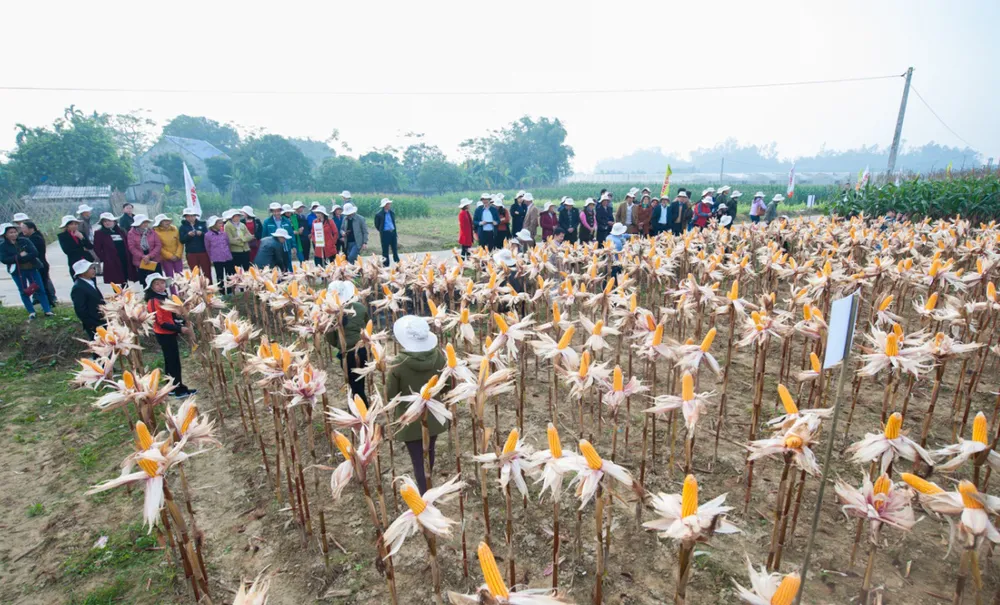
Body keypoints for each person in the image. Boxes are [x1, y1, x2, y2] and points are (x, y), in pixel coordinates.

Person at [387, 315, 446, 494]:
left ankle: (424, 494)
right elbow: (447, 386)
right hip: (434, 416)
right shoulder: (439, 356)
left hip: (410, 420)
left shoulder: (398, 363)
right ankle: (427, 486)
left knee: (418, 459)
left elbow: (391, 395)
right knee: (429, 451)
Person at [145, 273, 196, 398]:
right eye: (156, 284)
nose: (160, 286)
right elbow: (160, 322)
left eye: (162, 283)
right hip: (164, 334)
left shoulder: (163, 297)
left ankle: (171, 387)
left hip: (169, 333)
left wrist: (181, 321)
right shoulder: (153, 301)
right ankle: (179, 390)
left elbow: (171, 317)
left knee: (170, 361)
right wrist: (179, 329)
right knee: (174, 362)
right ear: (151, 287)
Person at [325, 280, 370, 404]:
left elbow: (330, 337)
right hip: (362, 350)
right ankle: (360, 407)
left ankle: (362, 409)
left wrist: (341, 345)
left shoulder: (330, 314)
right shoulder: (360, 307)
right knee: (360, 382)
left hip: (347, 354)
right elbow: (368, 326)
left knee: (353, 385)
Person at [2, 223, 54, 319]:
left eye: (14, 232)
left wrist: (20, 258)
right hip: (17, 272)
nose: (13, 234)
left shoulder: (24, 240)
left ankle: (47, 310)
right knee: (23, 291)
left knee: (40, 288)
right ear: (5, 235)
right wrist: (19, 256)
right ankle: (31, 311)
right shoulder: (3, 246)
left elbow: (34, 252)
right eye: (10, 233)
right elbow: (4, 259)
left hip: (32, 268)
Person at [20, 220, 57, 305]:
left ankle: (49, 302)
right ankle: (46, 301)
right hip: (39, 264)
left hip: (40, 264)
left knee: (42, 284)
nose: (22, 230)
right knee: (40, 284)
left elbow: (30, 252)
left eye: (24, 228)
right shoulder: (32, 237)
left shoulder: (36, 238)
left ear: (31, 228)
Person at [92, 212, 130, 286]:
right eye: (105, 221)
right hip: (111, 260)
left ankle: (125, 291)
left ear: (114, 221)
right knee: (114, 280)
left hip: (123, 258)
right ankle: (118, 292)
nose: (107, 223)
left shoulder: (121, 231)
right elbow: (97, 249)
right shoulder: (99, 233)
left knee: (124, 278)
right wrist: (105, 258)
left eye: (109, 220)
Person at [70, 259, 105, 339]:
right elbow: (80, 310)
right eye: (90, 268)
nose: (93, 270)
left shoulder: (90, 282)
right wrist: (91, 324)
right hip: (94, 324)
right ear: (83, 272)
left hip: (101, 320)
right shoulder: (78, 288)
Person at [127, 214, 162, 286]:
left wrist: (149, 256)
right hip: (141, 260)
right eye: (143, 222)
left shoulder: (152, 232)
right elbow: (132, 247)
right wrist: (143, 256)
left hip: (154, 258)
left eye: (146, 222)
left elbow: (158, 245)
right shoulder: (131, 233)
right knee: (146, 282)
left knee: (158, 281)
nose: (145, 224)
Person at [179, 208, 211, 279]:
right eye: (188, 216)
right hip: (191, 252)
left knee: (207, 272)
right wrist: (188, 235)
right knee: (195, 273)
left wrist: (202, 234)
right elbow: (182, 240)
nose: (190, 218)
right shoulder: (182, 227)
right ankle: (197, 286)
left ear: (195, 216)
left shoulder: (202, 224)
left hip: (203, 251)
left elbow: (208, 236)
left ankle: (209, 285)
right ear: (185, 217)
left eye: (192, 216)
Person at [204, 216, 234, 293]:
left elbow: (228, 244)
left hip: (227, 257)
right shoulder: (207, 235)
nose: (221, 224)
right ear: (213, 224)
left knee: (229, 275)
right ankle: (222, 292)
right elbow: (208, 247)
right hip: (217, 258)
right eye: (219, 223)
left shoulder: (224, 234)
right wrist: (211, 258)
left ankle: (230, 292)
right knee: (219, 276)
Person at [154, 214, 183, 278]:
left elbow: (180, 243)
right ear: (159, 223)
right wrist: (170, 256)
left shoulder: (175, 229)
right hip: (165, 258)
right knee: (170, 277)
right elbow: (159, 247)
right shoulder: (155, 232)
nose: (167, 222)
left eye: (167, 220)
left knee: (180, 275)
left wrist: (178, 254)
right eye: (164, 221)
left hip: (177, 257)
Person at [374, 198, 400, 267]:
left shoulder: (392, 213)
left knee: (395, 249)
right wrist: (382, 231)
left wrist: (395, 233)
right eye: (388, 204)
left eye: (389, 204)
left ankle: (398, 263)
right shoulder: (379, 215)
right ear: (384, 205)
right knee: (385, 250)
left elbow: (393, 223)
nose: (389, 205)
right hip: (385, 234)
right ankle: (386, 265)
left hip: (393, 232)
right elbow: (377, 225)